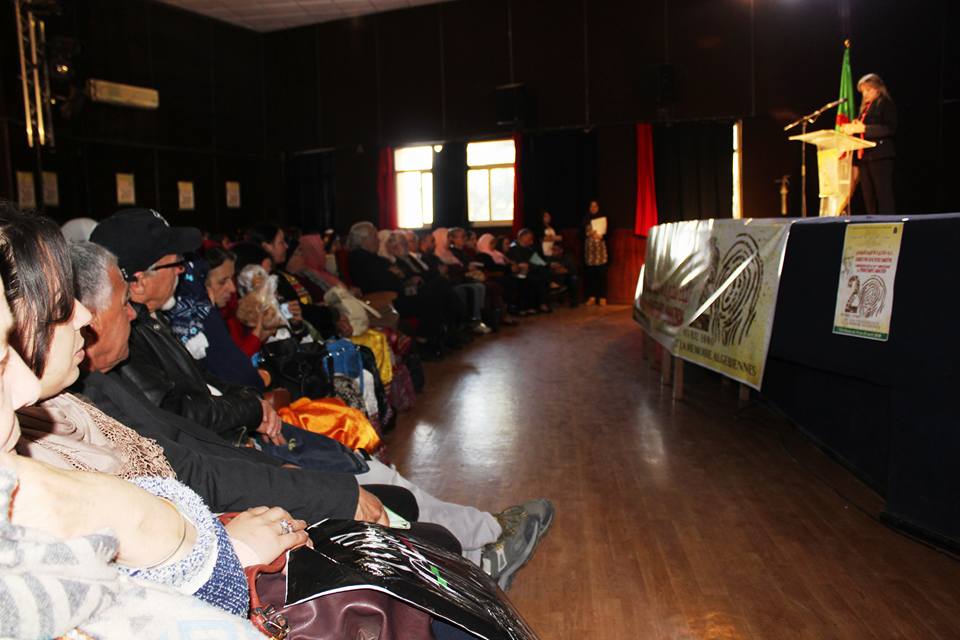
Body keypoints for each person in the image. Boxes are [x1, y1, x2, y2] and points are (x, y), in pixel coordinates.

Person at [71, 236, 552, 586]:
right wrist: (260, 416)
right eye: (174, 263)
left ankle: (482, 541)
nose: (183, 273)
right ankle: (481, 552)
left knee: (372, 474)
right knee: (377, 490)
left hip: (247, 446)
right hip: (233, 485)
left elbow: (195, 417)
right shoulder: (101, 381)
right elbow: (192, 445)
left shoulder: (127, 350)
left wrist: (258, 414)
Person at [841, 73, 897, 214]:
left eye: (868, 90)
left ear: (878, 89)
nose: (865, 94)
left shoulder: (885, 104)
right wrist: (853, 127)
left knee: (883, 194)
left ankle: (887, 225)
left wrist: (864, 128)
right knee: (868, 197)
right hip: (864, 157)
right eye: (863, 91)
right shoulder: (865, 109)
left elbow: (889, 128)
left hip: (880, 156)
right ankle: (872, 224)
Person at [583, 199, 609, 306]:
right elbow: (581, 233)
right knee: (590, 274)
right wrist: (590, 233)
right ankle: (592, 296)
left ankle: (602, 297)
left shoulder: (603, 218)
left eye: (595, 206)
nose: (593, 208)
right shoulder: (585, 219)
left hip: (600, 250)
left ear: (598, 208)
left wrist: (601, 235)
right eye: (591, 206)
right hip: (590, 250)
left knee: (601, 274)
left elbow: (608, 233)